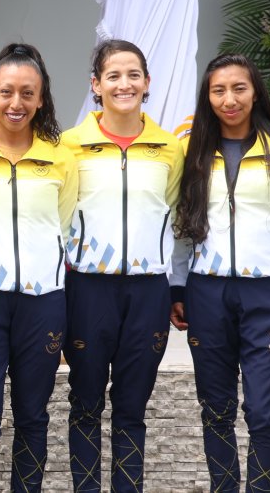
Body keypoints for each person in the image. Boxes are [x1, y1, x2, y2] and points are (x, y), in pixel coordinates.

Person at [171, 54, 270, 492]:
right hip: (208, 293)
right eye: (218, 90)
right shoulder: (193, 150)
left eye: (238, 88)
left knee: (263, 413)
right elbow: (185, 224)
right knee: (216, 410)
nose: (229, 99)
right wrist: (177, 286)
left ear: (255, 91)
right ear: (207, 96)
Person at [0, 43, 77, 493]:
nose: (16, 103)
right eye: (7, 92)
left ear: (41, 99)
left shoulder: (61, 157)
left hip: (42, 303)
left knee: (32, 417)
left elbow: (62, 225)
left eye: (28, 93)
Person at [60, 39, 183, 492]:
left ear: (147, 83)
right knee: (86, 403)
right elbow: (57, 218)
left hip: (148, 291)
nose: (124, 84)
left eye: (133, 75)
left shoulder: (170, 148)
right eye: (113, 75)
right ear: (96, 85)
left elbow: (178, 220)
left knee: (132, 407)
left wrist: (179, 289)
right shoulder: (68, 146)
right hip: (88, 291)